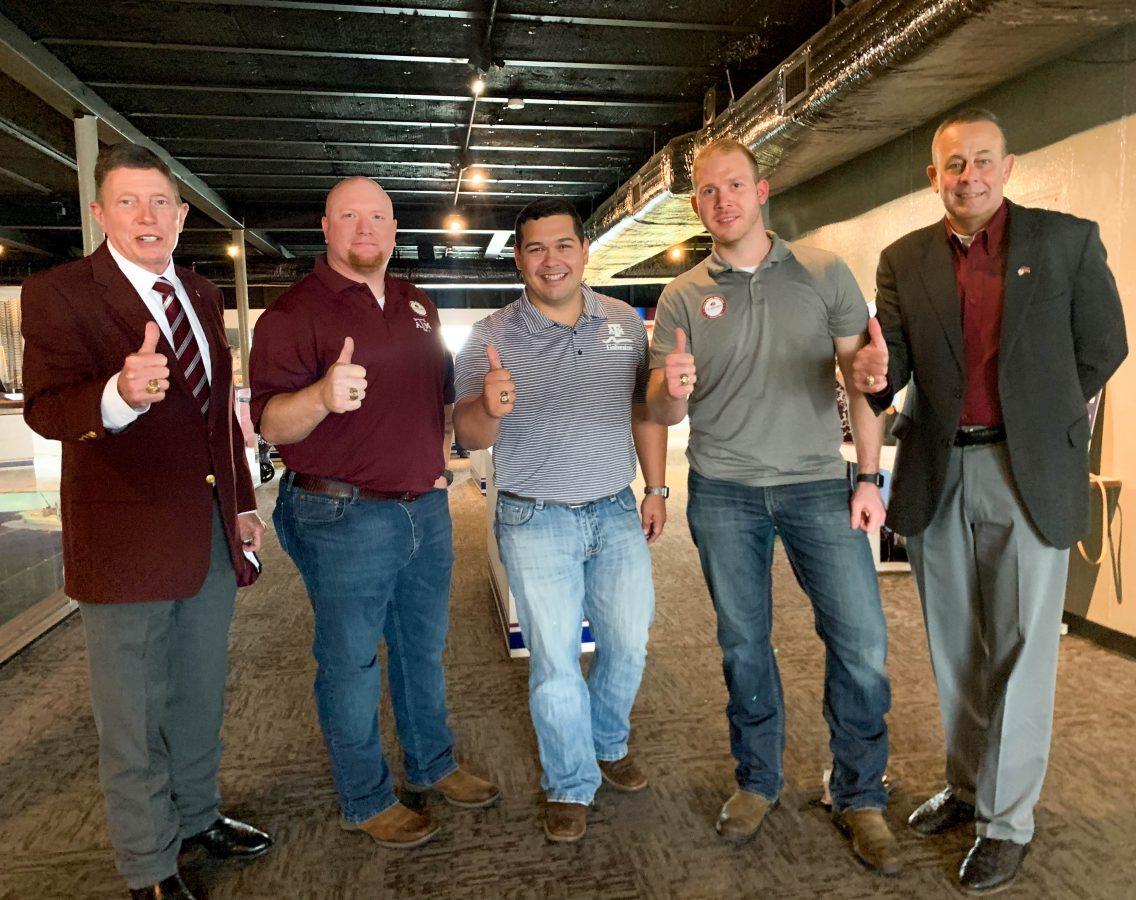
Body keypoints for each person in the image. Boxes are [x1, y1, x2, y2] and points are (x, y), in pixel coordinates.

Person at [850, 108, 1128, 894]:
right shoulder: (904, 258)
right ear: (932, 176)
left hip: (1025, 469)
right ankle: (969, 787)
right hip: (939, 465)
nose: (967, 175)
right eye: (952, 165)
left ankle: (1009, 822)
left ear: (1007, 167)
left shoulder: (1066, 241)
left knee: (1021, 651)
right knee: (957, 647)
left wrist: (1041, 418)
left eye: (982, 161)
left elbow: (1104, 345)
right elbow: (892, 362)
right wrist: (875, 373)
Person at [21, 143, 271, 900]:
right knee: (131, 717)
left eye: (161, 202)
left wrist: (244, 504)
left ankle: (196, 817)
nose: (147, 216)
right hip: (124, 544)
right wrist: (119, 396)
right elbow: (45, 408)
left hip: (208, 536)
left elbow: (218, 412)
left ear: (183, 214)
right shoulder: (59, 291)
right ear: (100, 213)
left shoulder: (198, 292)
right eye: (127, 202)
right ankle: (148, 866)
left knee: (199, 694)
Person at [646, 138, 901, 875]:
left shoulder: (823, 272)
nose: (722, 200)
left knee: (861, 646)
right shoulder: (682, 295)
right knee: (742, 646)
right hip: (724, 491)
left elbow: (863, 378)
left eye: (734, 185)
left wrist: (868, 476)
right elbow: (660, 412)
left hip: (820, 485)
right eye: (707, 191)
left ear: (761, 192)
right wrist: (674, 387)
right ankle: (758, 780)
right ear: (696, 205)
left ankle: (860, 794)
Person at [249, 176, 498, 850]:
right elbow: (272, 422)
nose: (366, 229)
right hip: (342, 514)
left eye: (379, 216)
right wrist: (322, 396)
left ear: (394, 229)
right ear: (325, 229)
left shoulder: (418, 304)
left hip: (426, 508)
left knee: (422, 650)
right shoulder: (293, 314)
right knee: (351, 664)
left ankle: (432, 763)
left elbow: (445, 414)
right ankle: (364, 798)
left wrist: (487, 413)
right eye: (349, 216)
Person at [452, 198, 668, 843]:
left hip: (615, 509)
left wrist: (656, 487)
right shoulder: (490, 335)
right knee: (554, 661)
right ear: (519, 257)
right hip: (534, 515)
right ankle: (570, 780)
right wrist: (489, 407)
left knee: (628, 644)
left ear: (584, 250)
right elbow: (465, 430)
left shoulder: (625, 323)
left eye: (564, 246)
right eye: (537, 248)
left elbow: (645, 410)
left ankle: (606, 742)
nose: (552, 260)